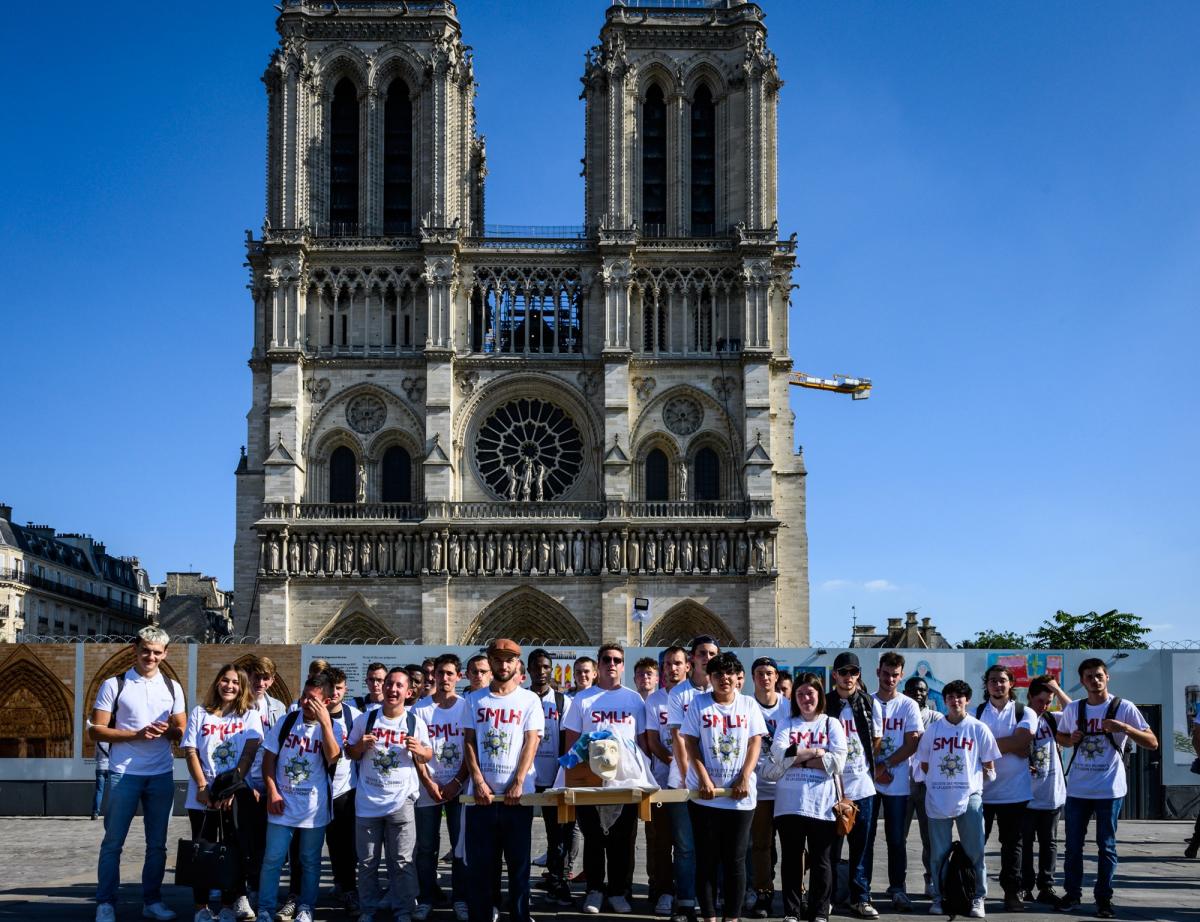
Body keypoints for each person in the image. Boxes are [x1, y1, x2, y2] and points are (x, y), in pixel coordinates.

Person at [90, 625, 187, 922]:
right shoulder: (114, 684)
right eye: (146, 650)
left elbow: (182, 730)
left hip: (160, 774)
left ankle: (152, 901)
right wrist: (136, 734)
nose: (151, 657)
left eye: (157, 652)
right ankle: (105, 902)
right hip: (123, 773)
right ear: (135, 649)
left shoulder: (172, 686)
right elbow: (96, 730)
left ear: (165, 654)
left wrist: (167, 731)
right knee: (113, 842)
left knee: (157, 845)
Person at [1056, 658, 1157, 918]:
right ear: (1082, 681)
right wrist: (1071, 739)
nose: (1094, 680)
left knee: (1107, 846)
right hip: (1078, 788)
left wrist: (1124, 728)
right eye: (1089, 676)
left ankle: (1103, 899)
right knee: (1073, 847)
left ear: (1107, 677)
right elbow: (1062, 738)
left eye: (1099, 675)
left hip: (1109, 789)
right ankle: (1072, 894)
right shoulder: (1074, 709)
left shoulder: (1123, 707)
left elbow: (1152, 742)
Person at [564, 642, 650, 914]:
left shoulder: (633, 699)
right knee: (593, 837)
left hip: (625, 780)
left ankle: (619, 891)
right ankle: (594, 891)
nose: (611, 664)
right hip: (590, 779)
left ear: (623, 666)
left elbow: (642, 742)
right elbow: (572, 741)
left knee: (622, 838)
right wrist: (572, 778)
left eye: (616, 660)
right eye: (606, 660)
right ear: (598, 665)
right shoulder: (583, 699)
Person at [681, 652, 767, 922]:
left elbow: (755, 742)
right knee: (706, 860)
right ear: (710, 678)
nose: (724, 679)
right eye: (718, 674)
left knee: (735, 861)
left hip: (739, 797)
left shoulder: (749, 705)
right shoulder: (699, 704)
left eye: (729, 674)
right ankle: (708, 916)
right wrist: (704, 778)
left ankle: (732, 917)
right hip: (706, 796)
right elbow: (691, 743)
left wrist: (744, 776)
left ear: (737, 677)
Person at [463, 639, 545, 922]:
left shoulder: (529, 700)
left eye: (509, 659)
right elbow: (469, 742)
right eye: (498, 659)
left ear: (517, 664)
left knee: (519, 868)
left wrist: (519, 781)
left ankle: (520, 917)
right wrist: (478, 780)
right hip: (481, 798)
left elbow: (531, 741)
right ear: (491, 662)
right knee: (481, 870)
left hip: (517, 799)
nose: (503, 664)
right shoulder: (474, 700)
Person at [347, 667, 433, 922]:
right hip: (367, 802)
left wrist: (420, 750)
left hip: (401, 802)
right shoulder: (367, 719)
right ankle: (368, 909)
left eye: (399, 686)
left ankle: (404, 910)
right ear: (382, 687)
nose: (392, 690)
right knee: (367, 863)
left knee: (402, 862)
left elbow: (428, 754)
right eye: (389, 684)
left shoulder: (414, 722)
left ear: (408, 692)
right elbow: (350, 752)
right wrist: (360, 747)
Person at [255, 673, 342, 922]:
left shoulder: (333, 727)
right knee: (272, 858)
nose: (305, 702)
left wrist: (325, 724)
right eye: (304, 696)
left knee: (310, 860)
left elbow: (333, 757)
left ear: (325, 701)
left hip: (313, 807)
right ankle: (265, 907)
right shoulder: (287, 721)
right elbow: (269, 760)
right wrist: (271, 791)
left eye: (313, 699)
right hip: (282, 803)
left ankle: (306, 906)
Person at [181, 664, 263, 922]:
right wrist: (203, 787)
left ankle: (230, 904)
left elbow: (249, 754)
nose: (229, 686)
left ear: (242, 688)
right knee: (202, 850)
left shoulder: (249, 714)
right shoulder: (199, 713)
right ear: (217, 682)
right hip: (202, 795)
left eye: (236, 683)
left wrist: (232, 789)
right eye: (225, 681)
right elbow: (190, 751)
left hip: (233, 796)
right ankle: (201, 908)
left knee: (234, 849)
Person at [916, 678, 1000, 919]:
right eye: (950, 697)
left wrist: (981, 778)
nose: (955, 701)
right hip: (938, 797)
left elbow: (989, 762)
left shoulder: (978, 728)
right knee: (938, 853)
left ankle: (978, 897)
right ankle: (939, 897)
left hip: (969, 796)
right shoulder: (934, 730)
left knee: (975, 851)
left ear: (967, 700)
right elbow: (923, 762)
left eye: (959, 697)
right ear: (944, 701)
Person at [767, 672, 847, 922]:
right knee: (791, 860)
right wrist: (814, 752)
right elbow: (778, 753)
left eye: (809, 693)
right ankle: (791, 910)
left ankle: (819, 911)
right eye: (800, 694)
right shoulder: (787, 724)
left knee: (822, 861)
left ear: (819, 695)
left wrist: (797, 759)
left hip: (821, 805)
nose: (805, 698)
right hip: (789, 805)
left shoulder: (830, 724)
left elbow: (838, 761)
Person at [665, 635, 721, 922]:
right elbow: (678, 738)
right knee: (685, 846)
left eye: (712, 653)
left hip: (717, 781)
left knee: (714, 845)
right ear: (693, 659)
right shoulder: (679, 694)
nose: (707, 658)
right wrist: (689, 777)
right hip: (684, 781)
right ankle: (686, 900)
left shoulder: (724, 690)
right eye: (702, 653)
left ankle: (713, 899)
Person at [412, 653, 471, 921]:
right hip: (429, 787)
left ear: (459, 677)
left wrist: (457, 782)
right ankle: (425, 898)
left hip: (458, 787)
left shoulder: (466, 707)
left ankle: (460, 898)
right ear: (432, 676)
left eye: (450, 673)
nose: (444, 678)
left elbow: (471, 750)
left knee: (460, 847)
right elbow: (414, 752)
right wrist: (429, 782)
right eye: (440, 673)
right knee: (426, 847)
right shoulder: (420, 710)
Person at [825, 652, 882, 919]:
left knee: (862, 847)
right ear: (834, 674)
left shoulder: (870, 703)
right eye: (844, 672)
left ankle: (861, 897)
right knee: (829, 848)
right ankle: (828, 896)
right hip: (831, 787)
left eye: (854, 673)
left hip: (863, 787)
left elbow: (876, 740)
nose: (849, 678)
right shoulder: (825, 704)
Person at [977, 663, 1038, 912]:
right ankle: (974, 890)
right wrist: (1013, 746)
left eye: (1002, 680)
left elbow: (1024, 740)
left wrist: (988, 746)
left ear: (1011, 683)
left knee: (1013, 847)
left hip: (1015, 793)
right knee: (976, 845)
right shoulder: (977, 711)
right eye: (993, 680)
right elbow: (972, 745)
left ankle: (1012, 893)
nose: (997, 684)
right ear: (987, 684)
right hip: (982, 792)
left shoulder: (1025, 712)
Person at [867, 652, 924, 912]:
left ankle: (897, 888)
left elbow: (913, 741)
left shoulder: (908, 705)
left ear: (901, 676)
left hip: (897, 781)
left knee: (896, 839)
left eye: (895, 674)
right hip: (868, 781)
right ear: (878, 672)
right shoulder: (867, 702)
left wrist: (886, 764)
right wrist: (876, 768)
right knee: (864, 838)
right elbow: (858, 741)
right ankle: (862, 888)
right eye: (886, 673)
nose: (890, 679)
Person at [527, 648, 575, 907]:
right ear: (528, 670)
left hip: (552, 776)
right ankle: (518, 880)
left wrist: (562, 773)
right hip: (524, 778)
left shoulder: (561, 701)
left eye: (546, 667)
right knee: (520, 834)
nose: (541, 671)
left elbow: (567, 740)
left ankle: (557, 880)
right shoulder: (521, 698)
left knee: (557, 835)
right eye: (536, 666)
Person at [644, 646, 689, 918]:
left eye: (678, 663)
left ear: (687, 666)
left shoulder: (697, 696)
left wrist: (688, 768)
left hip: (689, 783)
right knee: (660, 841)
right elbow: (652, 740)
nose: (673, 668)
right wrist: (676, 762)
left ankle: (687, 892)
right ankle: (663, 891)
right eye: (668, 664)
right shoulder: (654, 701)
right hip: (661, 781)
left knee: (686, 844)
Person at [243, 656, 288, 910]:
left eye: (265, 677)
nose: (260, 682)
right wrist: (247, 784)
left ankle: (263, 889)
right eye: (255, 676)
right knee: (247, 839)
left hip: (270, 783)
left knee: (268, 842)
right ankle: (247, 888)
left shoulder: (279, 708)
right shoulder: (239, 705)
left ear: (272, 680)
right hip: (247, 782)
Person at [1022, 675, 1070, 907]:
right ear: (1029, 697)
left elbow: (1076, 713)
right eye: (1041, 701)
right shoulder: (1020, 717)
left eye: (1048, 701)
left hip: (1051, 791)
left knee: (1049, 842)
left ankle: (1046, 886)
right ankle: (1024, 886)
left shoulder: (1052, 718)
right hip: (1025, 793)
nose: (1044, 706)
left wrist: (1058, 691)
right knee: (1024, 842)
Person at [746, 657, 788, 918]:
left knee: (795, 846)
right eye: (760, 673)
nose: (765, 678)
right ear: (753, 678)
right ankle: (764, 892)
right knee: (760, 845)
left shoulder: (789, 707)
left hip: (788, 788)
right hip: (759, 787)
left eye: (770, 673)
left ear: (776, 677)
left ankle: (798, 891)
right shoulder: (747, 706)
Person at [902, 675, 942, 898]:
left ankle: (931, 880)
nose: (918, 693)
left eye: (922, 690)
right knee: (899, 838)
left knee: (930, 838)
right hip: (904, 784)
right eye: (913, 690)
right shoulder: (902, 715)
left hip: (928, 786)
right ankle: (899, 883)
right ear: (906, 692)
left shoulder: (937, 718)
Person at [92, 735, 111, 821]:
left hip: (100, 767)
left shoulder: (98, 741)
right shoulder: (112, 741)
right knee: (113, 791)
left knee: (99, 791)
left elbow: (95, 756)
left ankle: (95, 813)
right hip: (111, 767)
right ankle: (112, 812)